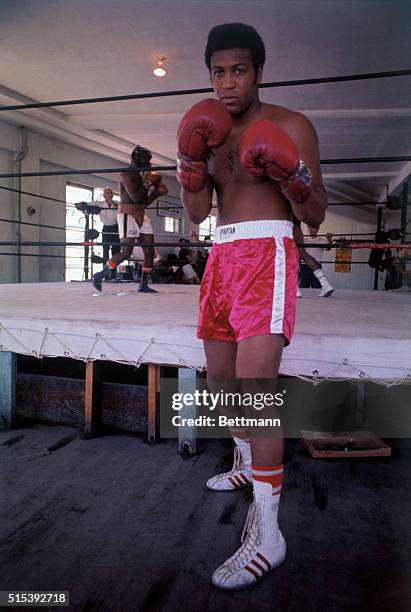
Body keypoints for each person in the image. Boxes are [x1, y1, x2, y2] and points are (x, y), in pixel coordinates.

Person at [177, 23, 327, 590]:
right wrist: (189, 162)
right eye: (218, 72)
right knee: (221, 387)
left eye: (238, 70)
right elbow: (194, 215)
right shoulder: (209, 133)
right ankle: (245, 465)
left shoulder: (291, 125)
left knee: (254, 391)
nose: (227, 83)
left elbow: (315, 213)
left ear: (259, 71)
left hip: (269, 252)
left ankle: (268, 534)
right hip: (222, 256)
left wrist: (291, 173)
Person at [92, 146, 168, 293]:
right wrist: (149, 183)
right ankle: (100, 275)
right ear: (134, 160)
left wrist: (156, 194)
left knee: (149, 250)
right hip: (127, 214)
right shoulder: (126, 175)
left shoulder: (140, 176)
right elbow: (137, 197)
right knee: (127, 251)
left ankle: (143, 283)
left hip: (140, 213)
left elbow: (142, 202)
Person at [293, 220, 334, 296]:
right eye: (309, 227)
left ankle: (321, 299)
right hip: (304, 267)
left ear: (317, 229)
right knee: (304, 285)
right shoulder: (304, 239)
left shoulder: (322, 240)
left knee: (317, 286)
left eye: (313, 228)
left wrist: (329, 240)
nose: (311, 229)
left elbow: (328, 248)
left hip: (317, 265)